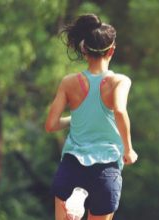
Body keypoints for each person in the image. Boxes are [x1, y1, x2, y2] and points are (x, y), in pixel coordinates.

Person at [45, 14, 138, 220]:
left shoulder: (69, 82)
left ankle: (75, 199)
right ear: (111, 50)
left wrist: (74, 119)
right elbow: (120, 112)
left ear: (84, 49)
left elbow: (50, 125)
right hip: (105, 169)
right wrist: (129, 150)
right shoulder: (120, 81)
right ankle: (78, 201)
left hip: (71, 166)